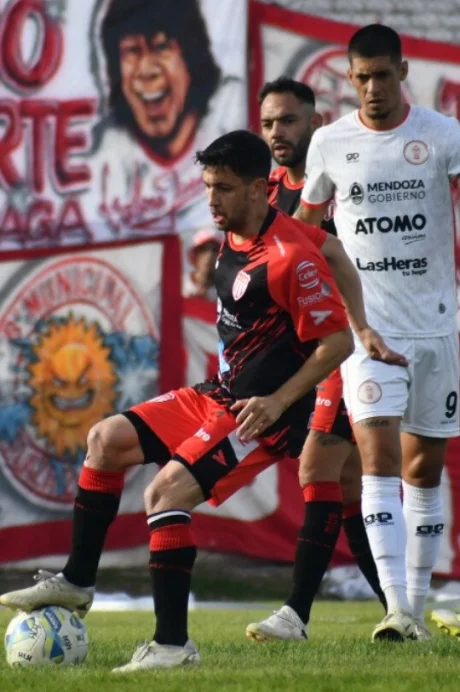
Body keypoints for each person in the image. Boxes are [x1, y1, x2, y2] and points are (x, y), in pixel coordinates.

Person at [0, 130, 354, 672]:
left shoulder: (291, 258)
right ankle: (77, 581)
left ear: (258, 189)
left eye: (224, 188)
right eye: (208, 186)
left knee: (165, 492)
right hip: (219, 393)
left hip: (259, 416)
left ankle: (172, 646)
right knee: (105, 440)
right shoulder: (232, 236)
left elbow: (337, 342)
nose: (212, 199)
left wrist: (279, 401)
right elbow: (318, 264)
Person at [295, 23, 460, 642]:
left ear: (403, 72)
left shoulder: (443, 135)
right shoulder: (330, 143)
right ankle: (394, 608)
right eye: (362, 78)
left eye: (383, 76)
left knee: (424, 470)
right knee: (378, 460)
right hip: (369, 334)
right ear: (349, 78)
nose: (373, 88)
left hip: (437, 328)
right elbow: (307, 231)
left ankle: (414, 606)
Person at [246, 77, 387, 644]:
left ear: (316, 122)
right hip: (314, 352)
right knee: (347, 487)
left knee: (317, 468)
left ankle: (295, 616)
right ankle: (402, 611)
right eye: (268, 123)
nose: (277, 133)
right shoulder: (267, 195)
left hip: (354, 344)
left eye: (288, 121)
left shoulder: (346, 182)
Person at [87, 0, 243, 237]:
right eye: (132, 51)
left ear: (191, 56)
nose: (147, 70)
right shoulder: (106, 157)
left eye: (161, 47)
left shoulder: (232, 118)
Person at [183, 229, 223, 301]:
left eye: (215, 250)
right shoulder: (180, 285)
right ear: (195, 254)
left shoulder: (227, 292)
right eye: (204, 249)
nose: (209, 255)